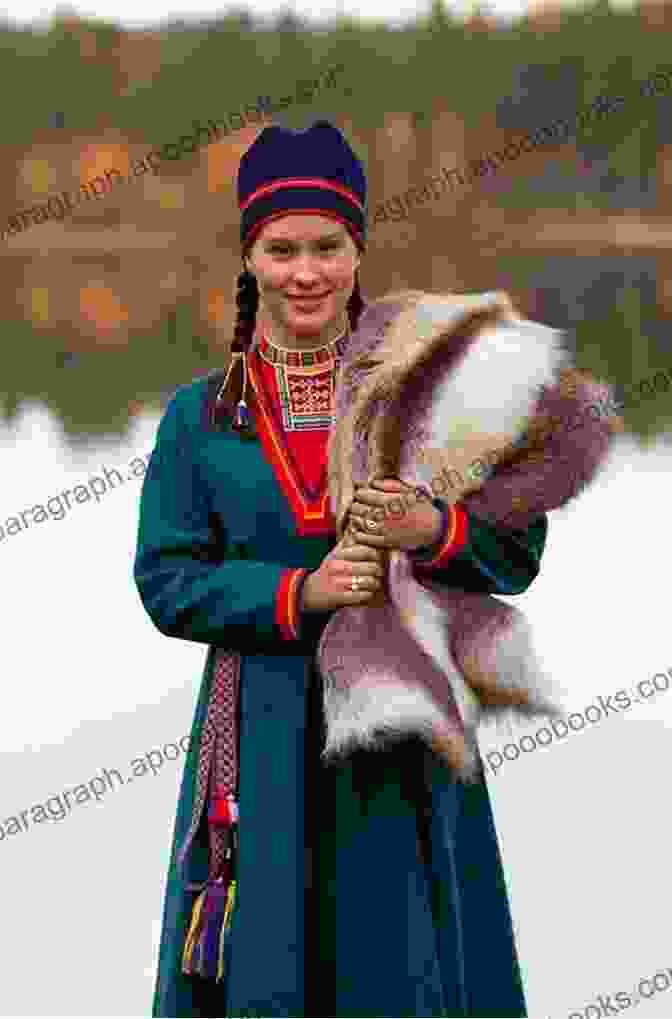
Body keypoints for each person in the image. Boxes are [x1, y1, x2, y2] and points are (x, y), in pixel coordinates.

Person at [134, 119, 549, 1018]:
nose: (306, 272)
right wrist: (301, 592)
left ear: (360, 248)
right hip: (260, 738)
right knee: (267, 965)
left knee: (398, 967)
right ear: (249, 257)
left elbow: (516, 549)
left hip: (402, 739)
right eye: (281, 250)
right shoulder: (199, 418)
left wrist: (433, 526)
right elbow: (166, 577)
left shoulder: (428, 394)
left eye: (328, 246)